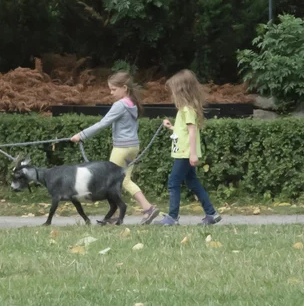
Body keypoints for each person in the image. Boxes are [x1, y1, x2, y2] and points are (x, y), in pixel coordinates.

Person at [71, 71, 159, 225]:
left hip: (121, 148)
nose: (111, 93)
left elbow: (103, 123)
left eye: (113, 89)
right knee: (124, 180)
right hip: (133, 146)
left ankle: (145, 208)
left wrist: (81, 135)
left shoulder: (120, 105)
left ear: (124, 87)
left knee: (115, 181)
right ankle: (123, 212)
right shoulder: (133, 103)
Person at [155, 69, 221, 226]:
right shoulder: (185, 110)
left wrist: (192, 154)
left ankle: (172, 217)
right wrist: (171, 127)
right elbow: (183, 131)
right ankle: (211, 213)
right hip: (185, 152)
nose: (172, 95)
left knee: (173, 182)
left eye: (173, 91)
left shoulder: (186, 110)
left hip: (185, 153)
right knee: (192, 182)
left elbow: (192, 132)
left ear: (181, 91)